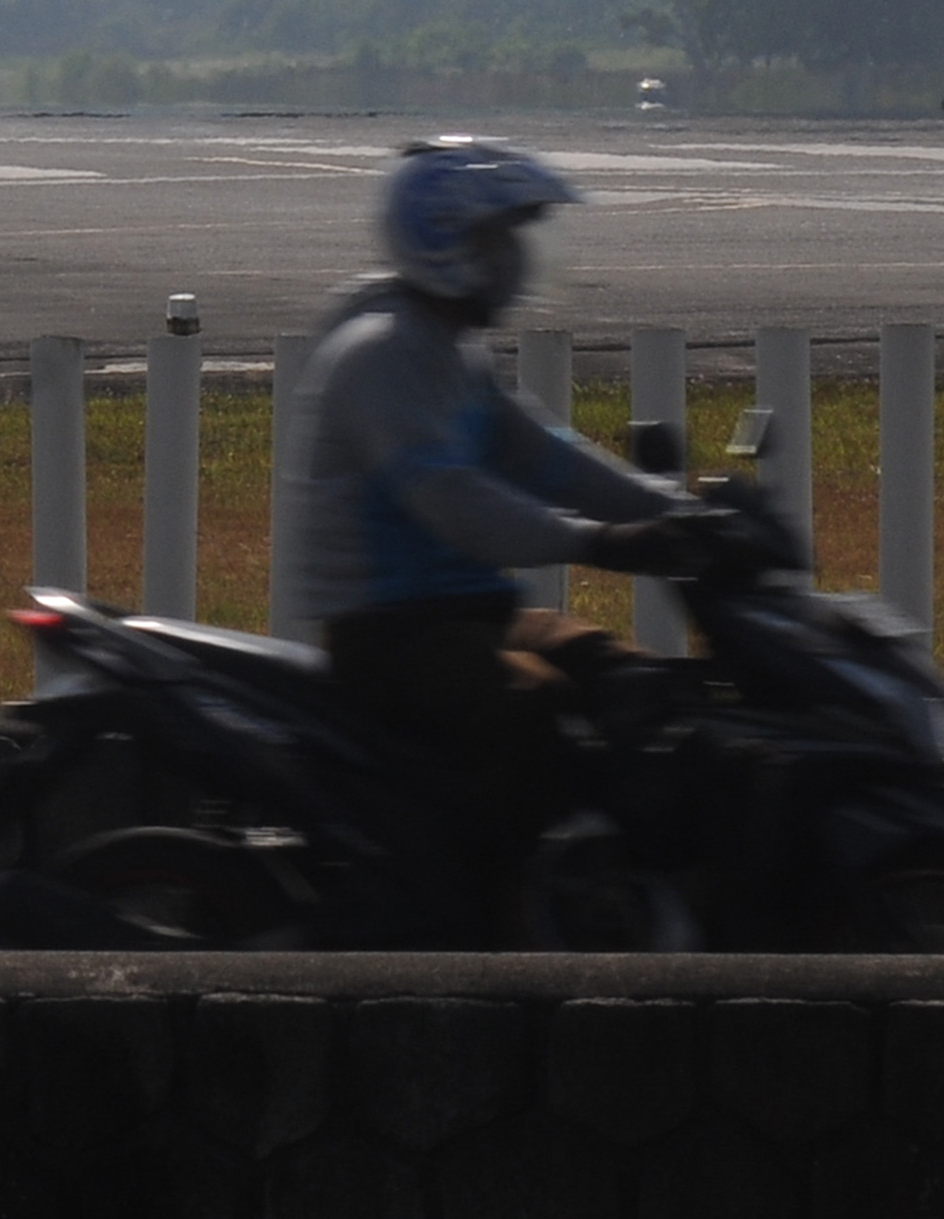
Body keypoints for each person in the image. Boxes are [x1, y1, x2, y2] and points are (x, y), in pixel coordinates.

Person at [281, 137, 702, 879]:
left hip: (473, 613)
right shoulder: (380, 355)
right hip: (388, 631)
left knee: (638, 680)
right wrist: (599, 542)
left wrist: (680, 509)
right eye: (497, 237)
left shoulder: (450, 349)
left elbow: (542, 453)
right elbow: (455, 501)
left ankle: (618, 871)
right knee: (528, 706)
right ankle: (488, 905)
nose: (514, 257)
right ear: (443, 239)